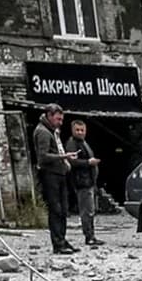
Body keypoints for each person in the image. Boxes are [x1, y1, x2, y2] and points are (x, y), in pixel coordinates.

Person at [31, 104, 77, 254]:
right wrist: (63, 157)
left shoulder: (53, 131)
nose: (60, 122)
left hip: (59, 173)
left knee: (63, 209)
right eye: (58, 119)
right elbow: (43, 157)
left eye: (61, 119)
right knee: (56, 209)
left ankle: (62, 239)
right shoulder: (43, 132)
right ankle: (58, 243)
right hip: (50, 175)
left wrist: (65, 163)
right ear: (49, 116)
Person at [64, 118, 103, 247]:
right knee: (87, 211)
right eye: (77, 130)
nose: (80, 132)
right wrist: (88, 162)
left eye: (82, 130)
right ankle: (89, 236)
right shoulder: (72, 144)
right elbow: (72, 161)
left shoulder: (83, 143)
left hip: (89, 181)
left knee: (90, 210)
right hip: (82, 182)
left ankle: (91, 235)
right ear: (72, 130)